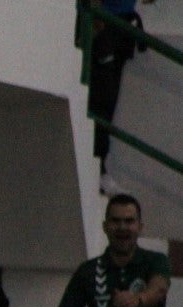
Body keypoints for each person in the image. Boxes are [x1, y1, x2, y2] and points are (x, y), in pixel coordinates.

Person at [82, 0, 154, 194]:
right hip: (105, 24)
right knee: (101, 100)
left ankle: (99, 165)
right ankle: (96, 166)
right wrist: (95, 15)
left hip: (121, 26)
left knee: (108, 101)